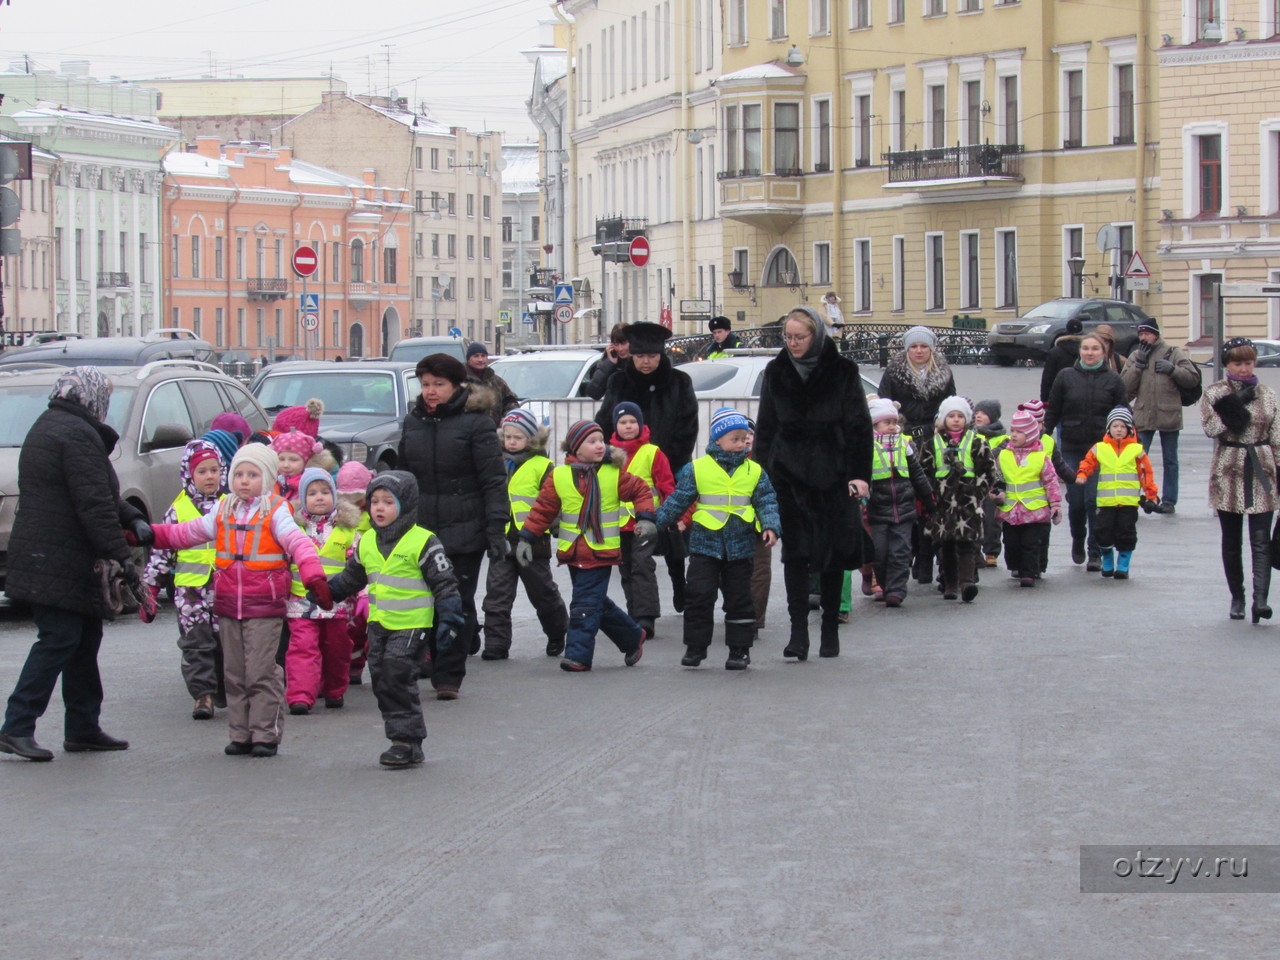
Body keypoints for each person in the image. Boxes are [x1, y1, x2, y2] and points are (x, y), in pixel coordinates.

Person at [0, 367, 151, 762]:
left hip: (53, 555)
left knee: (83, 638)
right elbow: (94, 504)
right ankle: (17, 726)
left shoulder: (50, 425)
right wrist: (123, 557)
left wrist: (132, 517)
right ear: (90, 396)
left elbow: (95, 492)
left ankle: (83, 727)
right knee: (59, 639)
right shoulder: (76, 434)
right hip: (58, 557)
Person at [148, 443, 329, 758]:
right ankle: (240, 733)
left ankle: (265, 734)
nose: (244, 480)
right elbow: (184, 534)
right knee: (233, 673)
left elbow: (298, 543)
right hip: (228, 603)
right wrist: (147, 534)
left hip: (264, 605)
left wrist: (314, 576)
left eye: (253, 474)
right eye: (239, 474)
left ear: (267, 478)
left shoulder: (276, 510)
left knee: (260, 671)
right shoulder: (223, 508)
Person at [323, 471, 466, 768]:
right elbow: (351, 578)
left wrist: (450, 619)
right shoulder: (367, 541)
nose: (379, 508)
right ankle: (400, 738)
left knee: (396, 672)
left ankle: (407, 741)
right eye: (375, 501)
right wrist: (325, 593)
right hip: (379, 624)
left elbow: (445, 583)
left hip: (413, 625)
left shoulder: (423, 542)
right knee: (382, 680)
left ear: (407, 505)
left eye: (388, 502)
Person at [755, 306, 872, 660]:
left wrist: (859, 475)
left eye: (799, 337)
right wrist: (760, 478)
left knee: (832, 555)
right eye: (787, 337)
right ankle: (798, 634)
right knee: (796, 555)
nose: (792, 343)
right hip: (787, 475)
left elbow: (859, 426)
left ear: (816, 335)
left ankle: (830, 629)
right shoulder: (776, 371)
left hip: (834, 476)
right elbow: (766, 427)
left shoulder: (842, 371)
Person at [398, 353, 508, 698]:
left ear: (457, 386)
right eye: (425, 384)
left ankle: (449, 674)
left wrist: (496, 528)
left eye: (439, 384)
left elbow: (493, 480)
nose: (430, 391)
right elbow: (402, 477)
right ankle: (429, 657)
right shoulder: (413, 422)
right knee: (423, 599)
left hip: (465, 529)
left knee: (456, 600)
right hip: (421, 530)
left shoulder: (477, 424)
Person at [516, 420, 654, 672]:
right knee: (595, 602)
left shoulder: (613, 474)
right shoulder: (559, 476)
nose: (600, 445)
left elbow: (641, 490)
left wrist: (645, 518)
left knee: (584, 604)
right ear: (576, 448)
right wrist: (526, 537)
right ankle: (632, 636)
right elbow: (543, 509)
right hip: (572, 551)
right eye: (592, 442)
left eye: (601, 440)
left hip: (601, 551)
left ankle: (578, 656)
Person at [657, 407, 781, 669]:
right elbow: (679, 499)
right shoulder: (697, 468)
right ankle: (695, 647)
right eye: (734, 439)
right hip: (704, 545)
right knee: (699, 595)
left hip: (741, 546)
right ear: (717, 440)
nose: (741, 444)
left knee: (739, 599)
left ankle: (739, 650)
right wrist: (656, 522)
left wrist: (770, 526)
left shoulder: (755, 471)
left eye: (744, 439)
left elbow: (767, 500)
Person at [594, 321, 700, 609]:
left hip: (670, 466)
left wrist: (667, 460)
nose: (645, 362)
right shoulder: (619, 382)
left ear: (661, 355)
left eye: (652, 356)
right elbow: (604, 422)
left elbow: (688, 426)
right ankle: (638, 601)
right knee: (631, 536)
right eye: (640, 356)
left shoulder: (679, 381)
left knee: (674, 530)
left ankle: (679, 584)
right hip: (627, 468)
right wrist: (608, 458)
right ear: (632, 355)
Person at [139, 438, 227, 721]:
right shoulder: (177, 511)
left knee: (226, 643)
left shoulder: (231, 506)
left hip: (226, 590)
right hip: (190, 594)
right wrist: (150, 590)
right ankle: (203, 695)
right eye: (202, 471)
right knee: (196, 644)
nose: (209, 477)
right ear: (189, 475)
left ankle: (224, 689)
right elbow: (161, 554)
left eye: (214, 470)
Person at [1201, 337, 1280, 622]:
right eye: (1237, 363)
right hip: (1229, 468)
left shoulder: (1268, 394)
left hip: (1262, 468)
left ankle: (1261, 600)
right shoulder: (1214, 393)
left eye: (1248, 363)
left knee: (1261, 540)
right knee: (1232, 540)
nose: (1244, 369)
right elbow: (1212, 428)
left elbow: (1277, 436)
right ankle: (1238, 597)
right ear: (1227, 365)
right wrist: (1235, 405)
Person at [480, 408, 569, 659]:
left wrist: (558, 528)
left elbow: (552, 501)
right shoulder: (496, 463)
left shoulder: (543, 466)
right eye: (507, 437)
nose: (511, 442)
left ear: (531, 439)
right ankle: (496, 644)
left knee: (543, 594)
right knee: (497, 596)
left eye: (517, 437)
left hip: (532, 541)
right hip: (501, 540)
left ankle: (558, 632)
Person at [1045, 333, 1128, 572]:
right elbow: (1053, 410)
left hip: (1100, 449)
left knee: (1093, 501)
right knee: (1077, 502)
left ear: (1103, 353)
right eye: (1085, 348)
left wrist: (1127, 443)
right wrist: (1044, 436)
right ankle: (1078, 539)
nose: (1089, 353)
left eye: (1095, 349)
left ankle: (1095, 551)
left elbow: (1123, 414)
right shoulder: (1065, 376)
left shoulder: (1113, 380)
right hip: (1071, 447)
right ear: (1080, 352)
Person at [284, 468, 362, 714]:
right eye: (312, 493)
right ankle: (300, 695)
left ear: (335, 496)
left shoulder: (348, 532)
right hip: (301, 602)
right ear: (302, 499)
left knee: (337, 648)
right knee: (302, 648)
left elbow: (360, 566)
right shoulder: (293, 530)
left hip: (337, 604)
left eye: (325, 492)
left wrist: (362, 595)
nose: (319, 497)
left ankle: (334, 690)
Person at [918, 396, 997, 602]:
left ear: (967, 419)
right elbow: (924, 472)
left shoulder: (977, 442)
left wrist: (978, 492)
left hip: (967, 501)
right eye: (951, 416)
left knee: (967, 543)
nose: (955, 420)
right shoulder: (932, 444)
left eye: (960, 416)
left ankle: (967, 583)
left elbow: (988, 470)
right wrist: (930, 496)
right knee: (946, 544)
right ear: (943, 419)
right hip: (942, 502)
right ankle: (950, 584)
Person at [1121, 317, 1200, 515]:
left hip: (1169, 414)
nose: (1143, 338)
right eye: (1141, 334)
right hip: (1143, 414)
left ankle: (1169, 500)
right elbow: (1124, 387)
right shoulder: (1136, 356)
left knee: (1170, 460)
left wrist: (1173, 370)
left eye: (1147, 334)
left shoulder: (1173, 353)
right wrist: (1138, 365)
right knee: (1137, 459)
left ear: (1156, 335)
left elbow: (1192, 378)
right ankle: (1132, 497)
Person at [609, 401, 675, 636]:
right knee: (626, 568)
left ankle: (646, 617)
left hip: (646, 522)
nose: (628, 426)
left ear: (640, 424)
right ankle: (634, 615)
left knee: (642, 565)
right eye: (623, 422)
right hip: (617, 524)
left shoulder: (652, 452)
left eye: (632, 422)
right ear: (615, 426)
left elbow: (666, 486)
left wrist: (668, 517)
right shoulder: (607, 454)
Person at [864, 397, 935, 608]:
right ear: (874, 424)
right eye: (887, 422)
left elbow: (917, 474)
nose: (892, 426)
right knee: (879, 552)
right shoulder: (866, 446)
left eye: (895, 422)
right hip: (878, 509)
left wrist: (928, 499)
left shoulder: (905, 444)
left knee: (901, 551)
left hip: (904, 508)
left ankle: (896, 590)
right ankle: (885, 584)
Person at [1073, 407, 1158, 580]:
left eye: (1122, 426)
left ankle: (1123, 565)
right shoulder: (1100, 448)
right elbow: (1088, 462)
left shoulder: (1137, 450)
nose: (1119, 430)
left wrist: (1151, 495)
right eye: (1115, 426)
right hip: (1106, 502)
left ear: (1129, 429)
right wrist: (1082, 474)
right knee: (1103, 532)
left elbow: (1146, 473)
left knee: (1126, 532)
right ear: (1108, 429)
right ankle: (1107, 559)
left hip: (1128, 502)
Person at [992, 409, 1064, 587]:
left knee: (1030, 544)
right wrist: (996, 491)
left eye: (1019, 432)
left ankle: (1029, 573)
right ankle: (1016, 566)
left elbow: (1051, 482)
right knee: (1011, 542)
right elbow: (997, 476)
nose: (1014, 435)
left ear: (1030, 434)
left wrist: (1055, 504)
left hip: (1034, 511)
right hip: (1010, 509)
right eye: (1012, 431)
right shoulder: (1004, 455)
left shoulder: (1041, 458)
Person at [335, 461, 375, 685]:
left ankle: (360, 661)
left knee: (364, 625)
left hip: (370, 576)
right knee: (349, 626)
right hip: (347, 578)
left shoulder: (375, 516)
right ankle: (352, 665)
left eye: (357, 498)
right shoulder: (338, 517)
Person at [973, 400, 1006, 568]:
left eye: (984, 413)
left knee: (992, 519)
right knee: (974, 518)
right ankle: (975, 551)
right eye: (977, 412)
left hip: (993, 483)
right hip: (975, 482)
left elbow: (995, 456)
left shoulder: (1004, 439)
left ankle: (991, 552)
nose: (978, 415)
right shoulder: (971, 435)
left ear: (993, 417)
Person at [465, 342, 519, 425]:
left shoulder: (496, 381)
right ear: (468, 359)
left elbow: (510, 400)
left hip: (495, 429)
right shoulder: (460, 380)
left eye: (483, 356)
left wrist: (507, 417)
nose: (480, 360)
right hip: (469, 429)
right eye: (476, 356)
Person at [578, 323, 631, 400]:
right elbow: (593, 393)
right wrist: (609, 363)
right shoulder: (608, 362)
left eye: (623, 343)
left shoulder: (641, 360)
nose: (620, 349)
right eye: (616, 344)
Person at [1039, 317, 1084, 404]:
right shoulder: (1089, 351)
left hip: (1059, 397)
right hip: (1083, 397)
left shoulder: (1055, 352)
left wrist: (1044, 400)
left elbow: (1047, 379)